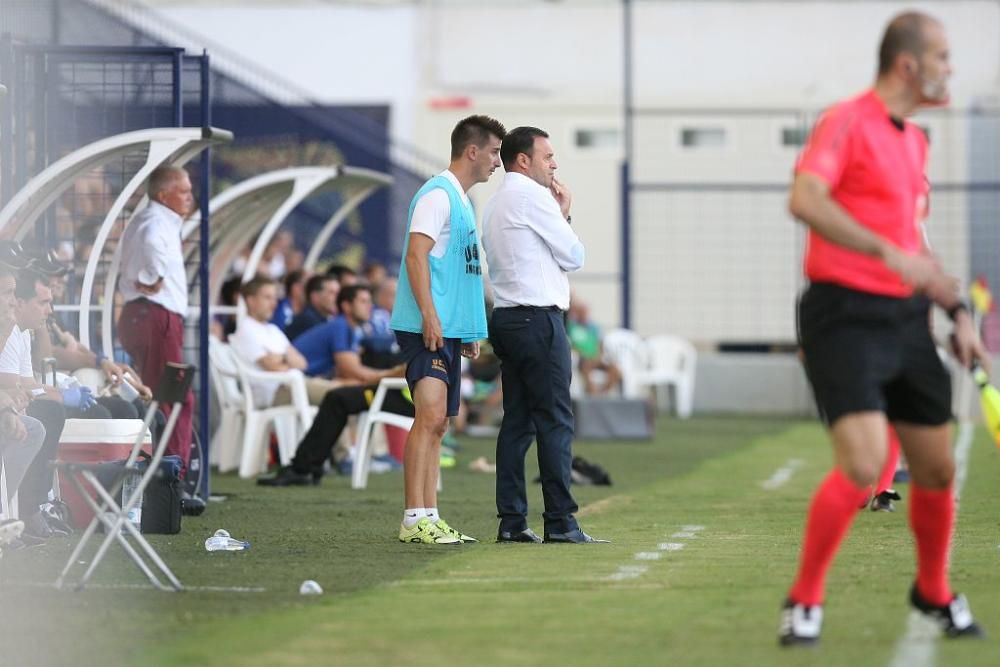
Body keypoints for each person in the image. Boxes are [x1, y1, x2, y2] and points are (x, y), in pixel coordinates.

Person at [778, 12, 989, 645]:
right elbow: (806, 199)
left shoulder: (916, 142)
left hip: (906, 319)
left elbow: (912, 243)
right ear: (908, 64)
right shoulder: (846, 120)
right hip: (842, 315)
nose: (951, 68)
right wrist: (884, 253)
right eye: (944, 56)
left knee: (936, 469)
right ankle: (804, 601)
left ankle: (933, 591)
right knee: (866, 462)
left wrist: (954, 311)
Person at [482, 126, 606, 545]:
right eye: (548, 156)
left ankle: (513, 521)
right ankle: (561, 522)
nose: (554, 164)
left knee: (517, 422)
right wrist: (565, 211)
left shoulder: (496, 201)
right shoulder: (533, 197)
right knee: (554, 420)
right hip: (538, 320)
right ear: (523, 160)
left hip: (507, 319)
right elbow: (573, 255)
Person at [391, 114, 506, 545]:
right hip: (426, 327)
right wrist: (431, 317)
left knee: (439, 424)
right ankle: (413, 518)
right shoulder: (437, 195)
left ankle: (430, 516)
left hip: (447, 328)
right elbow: (415, 258)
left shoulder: (461, 201)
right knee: (431, 417)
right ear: (472, 151)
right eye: (494, 152)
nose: (498, 161)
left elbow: (461, 272)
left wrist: (469, 328)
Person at [117, 166, 203, 512]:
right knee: (169, 400)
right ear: (163, 194)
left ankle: (169, 479)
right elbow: (153, 246)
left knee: (171, 398)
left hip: (150, 317)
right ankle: (169, 484)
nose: (189, 197)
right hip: (156, 317)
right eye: (183, 191)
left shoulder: (155, 220)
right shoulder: (155, 223)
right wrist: (153, 275)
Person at [566, 298, 622, 396]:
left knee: (615, 370)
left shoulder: (593, 326)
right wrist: (584, 355)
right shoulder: (572, 327)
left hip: (596, 358)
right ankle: (593, 396)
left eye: (585, 312)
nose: (584, 314)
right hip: (582, 360)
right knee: (586, 369)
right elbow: (571, 345)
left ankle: (603, 394)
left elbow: (600, 344)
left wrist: (598, 356)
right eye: (581, 312)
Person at [285, 274, 339, 341]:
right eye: (332, 293)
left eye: (338, 293)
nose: (338, 298)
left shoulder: (323, 319)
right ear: (315, 297)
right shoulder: (308, 321)